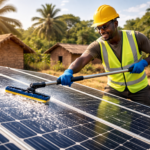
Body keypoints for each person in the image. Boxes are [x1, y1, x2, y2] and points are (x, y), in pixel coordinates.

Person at [58, 4, 150, 105]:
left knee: (146, 118)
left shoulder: (136, 37)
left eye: (104, 26)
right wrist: (69, 70)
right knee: (105, 118)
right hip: (114, 89)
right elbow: (82, 59)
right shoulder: (98, 45)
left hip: (140, 89)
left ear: (115, 23)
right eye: (98, 28)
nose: (101, 31)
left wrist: (144, 62)